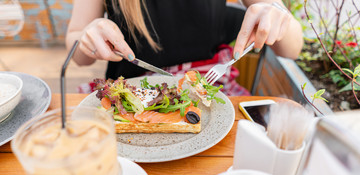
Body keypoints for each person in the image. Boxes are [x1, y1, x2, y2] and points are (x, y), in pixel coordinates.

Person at [66, 0, 303, 95]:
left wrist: (278, 15)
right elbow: (78, 56)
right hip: (131, 90)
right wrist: (86, 37)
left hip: (211, 89)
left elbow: (291, 50)